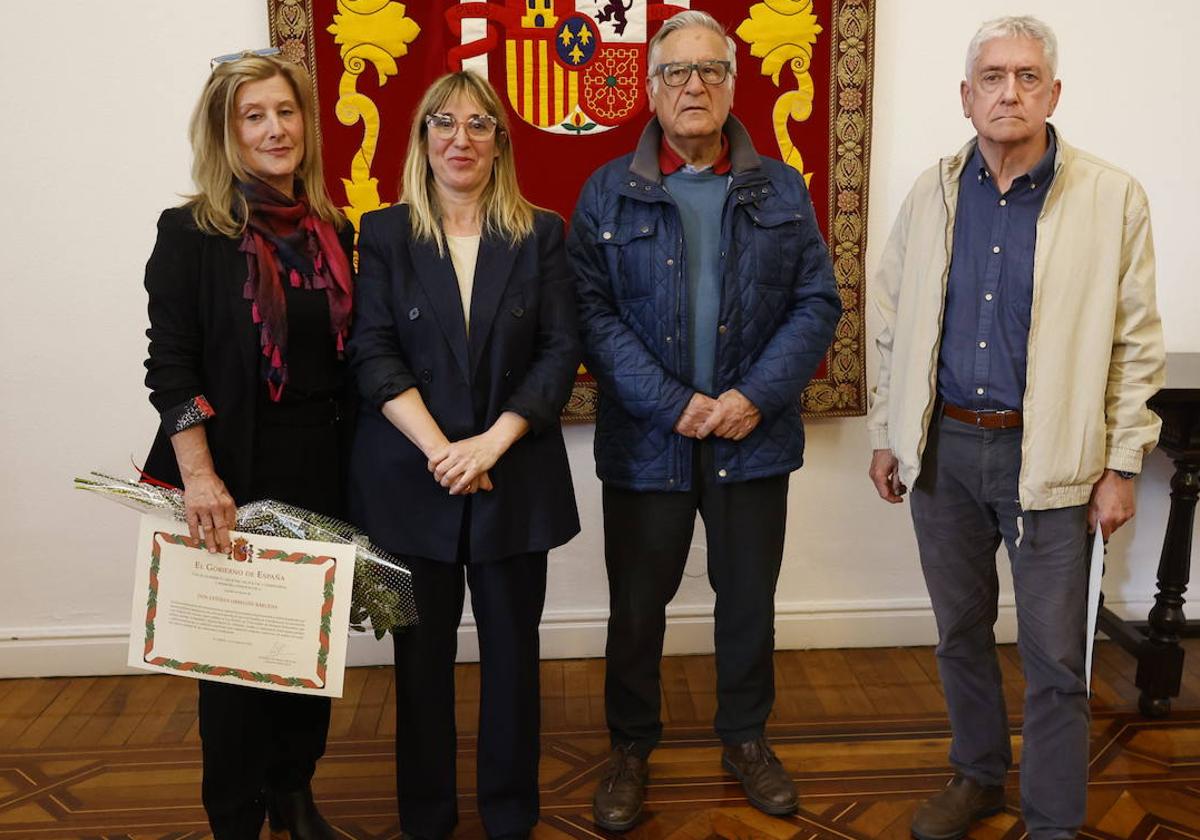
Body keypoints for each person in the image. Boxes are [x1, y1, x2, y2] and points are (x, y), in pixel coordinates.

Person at [866, 16, 1165, 840]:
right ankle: (977, 777)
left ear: (1054, 93)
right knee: (960, 632)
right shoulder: (932, 190)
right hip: (946, 456)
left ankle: (1053, 822)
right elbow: (890, 317)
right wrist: (888, 433)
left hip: (1055, 464)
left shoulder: (1112, 197)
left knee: (1056, 659)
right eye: (992, 76)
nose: (1010, 91)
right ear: (966, 97)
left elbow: (1137, 342)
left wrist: (1123, 463)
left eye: (1028, 76)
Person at [568, 9, 841, 831]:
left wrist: (752, 397)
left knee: (747, 599)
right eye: (677, 73)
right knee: (637, 605)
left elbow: (817, 301)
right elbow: (591, 312)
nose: (694, 86)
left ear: (732, 84)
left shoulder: (782, 188)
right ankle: (629, 748)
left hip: (750, 439)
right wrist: (671, 402)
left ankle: (747, 740)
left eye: (710, 71)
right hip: (647, 441)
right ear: (649, 90)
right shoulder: (606, 190)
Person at [346, 71, 580, 840]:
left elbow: (558, 351)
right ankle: (427, 820)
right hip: (410, 484)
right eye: (443, 124)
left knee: (514, 663)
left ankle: (511, 818)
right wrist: (446, 450)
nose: (460, 139)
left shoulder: (541, 233)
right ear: (422, 139)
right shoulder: (383, 233)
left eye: (479, 125)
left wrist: (490, 443)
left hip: (513, 477)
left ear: (500, 144)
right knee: (418, 671)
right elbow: (373, 353)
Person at [141, 50, 354, 840]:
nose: (275, 129)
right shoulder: (191, 234)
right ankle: (234, 817)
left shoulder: (336, 231)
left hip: (321, 462)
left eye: (286, 112)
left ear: (306, 124)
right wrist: (199, 476)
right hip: (227, 472)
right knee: (230, 664)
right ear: (227, 132)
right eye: (253, 116)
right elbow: (171, 368)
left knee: (307, 649)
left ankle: (294, 795)